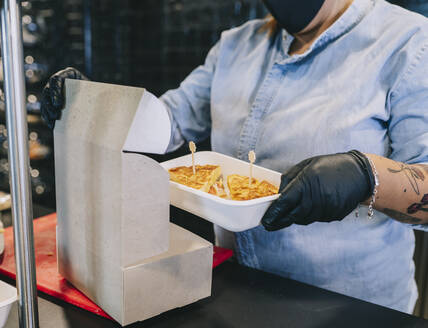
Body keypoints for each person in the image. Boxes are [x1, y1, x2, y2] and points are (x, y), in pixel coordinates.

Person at [41, 0, 428, 313]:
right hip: (238, 288)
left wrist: (366, 175)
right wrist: (91, 105)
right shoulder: (236, 44)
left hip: (351, 308)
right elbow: (169, 120)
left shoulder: (407, 42)